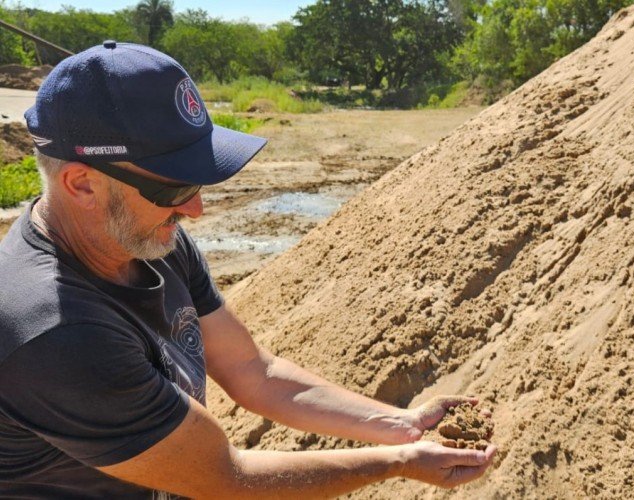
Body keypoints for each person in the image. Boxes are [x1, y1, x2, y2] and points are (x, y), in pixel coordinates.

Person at [0, 42, 495, 498]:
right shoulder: (57, 331)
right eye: (173, 190)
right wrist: (398, 462)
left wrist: (403, 424)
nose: (195, 209)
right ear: (81, 183)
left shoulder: (149, 238)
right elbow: (226, 479)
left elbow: (253, 371)